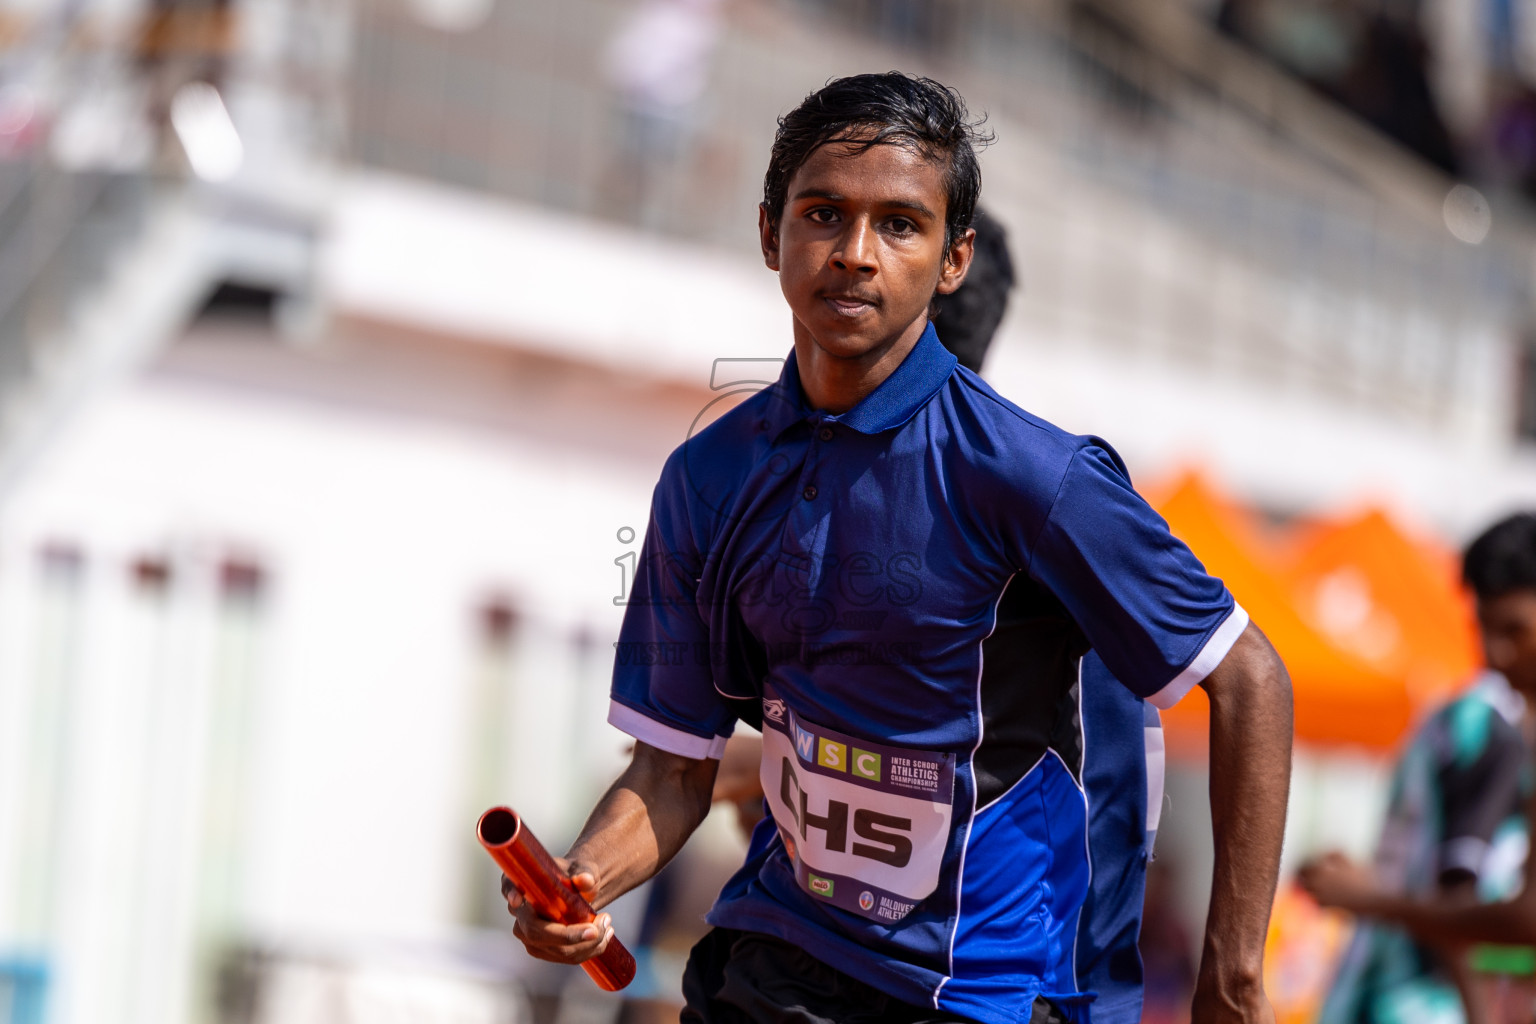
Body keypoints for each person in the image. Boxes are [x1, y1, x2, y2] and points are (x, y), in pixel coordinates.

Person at [503, 72, 1293, 1024]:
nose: (856, 255)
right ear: (770, 235)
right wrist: (584, 880)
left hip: (982, 996)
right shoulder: (707, 475)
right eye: (825, 214)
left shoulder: (1037, 477)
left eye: (901, 225)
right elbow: (672, 769)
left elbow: (1249, 679)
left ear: (953, 259)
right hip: (776, 962)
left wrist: (1232, 984)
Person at [1300, 513, 1536, 1024]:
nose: (1494, 655)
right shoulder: (1494, 723)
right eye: (1483, 629)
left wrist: (1375, 899)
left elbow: (1510, 912)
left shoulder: (1480, 726)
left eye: (1514, 630)